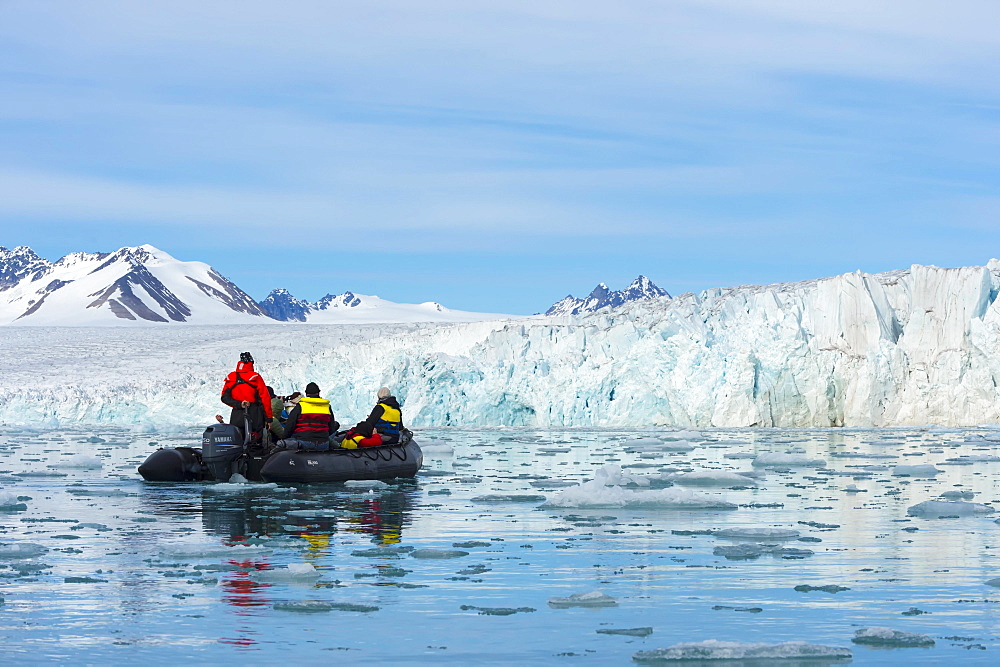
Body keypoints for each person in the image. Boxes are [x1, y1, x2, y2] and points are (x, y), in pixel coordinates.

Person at [220, 352, 272, 442]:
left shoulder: (231, 377)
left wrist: (239, 404)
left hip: (236, 415)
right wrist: (269, 419)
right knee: (255, 443)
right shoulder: (255, 377)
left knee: (237, 441)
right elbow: (265, 398)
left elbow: (224, 398)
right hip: (254, 414)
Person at [279, 382, 339, 451]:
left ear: (306, 394)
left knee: (285, 442)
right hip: (323, 444)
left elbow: (290, 426)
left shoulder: (300, 406)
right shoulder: (327, 407)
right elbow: (331, 428)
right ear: (318, 393)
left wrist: (284, 438)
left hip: (304, 443)